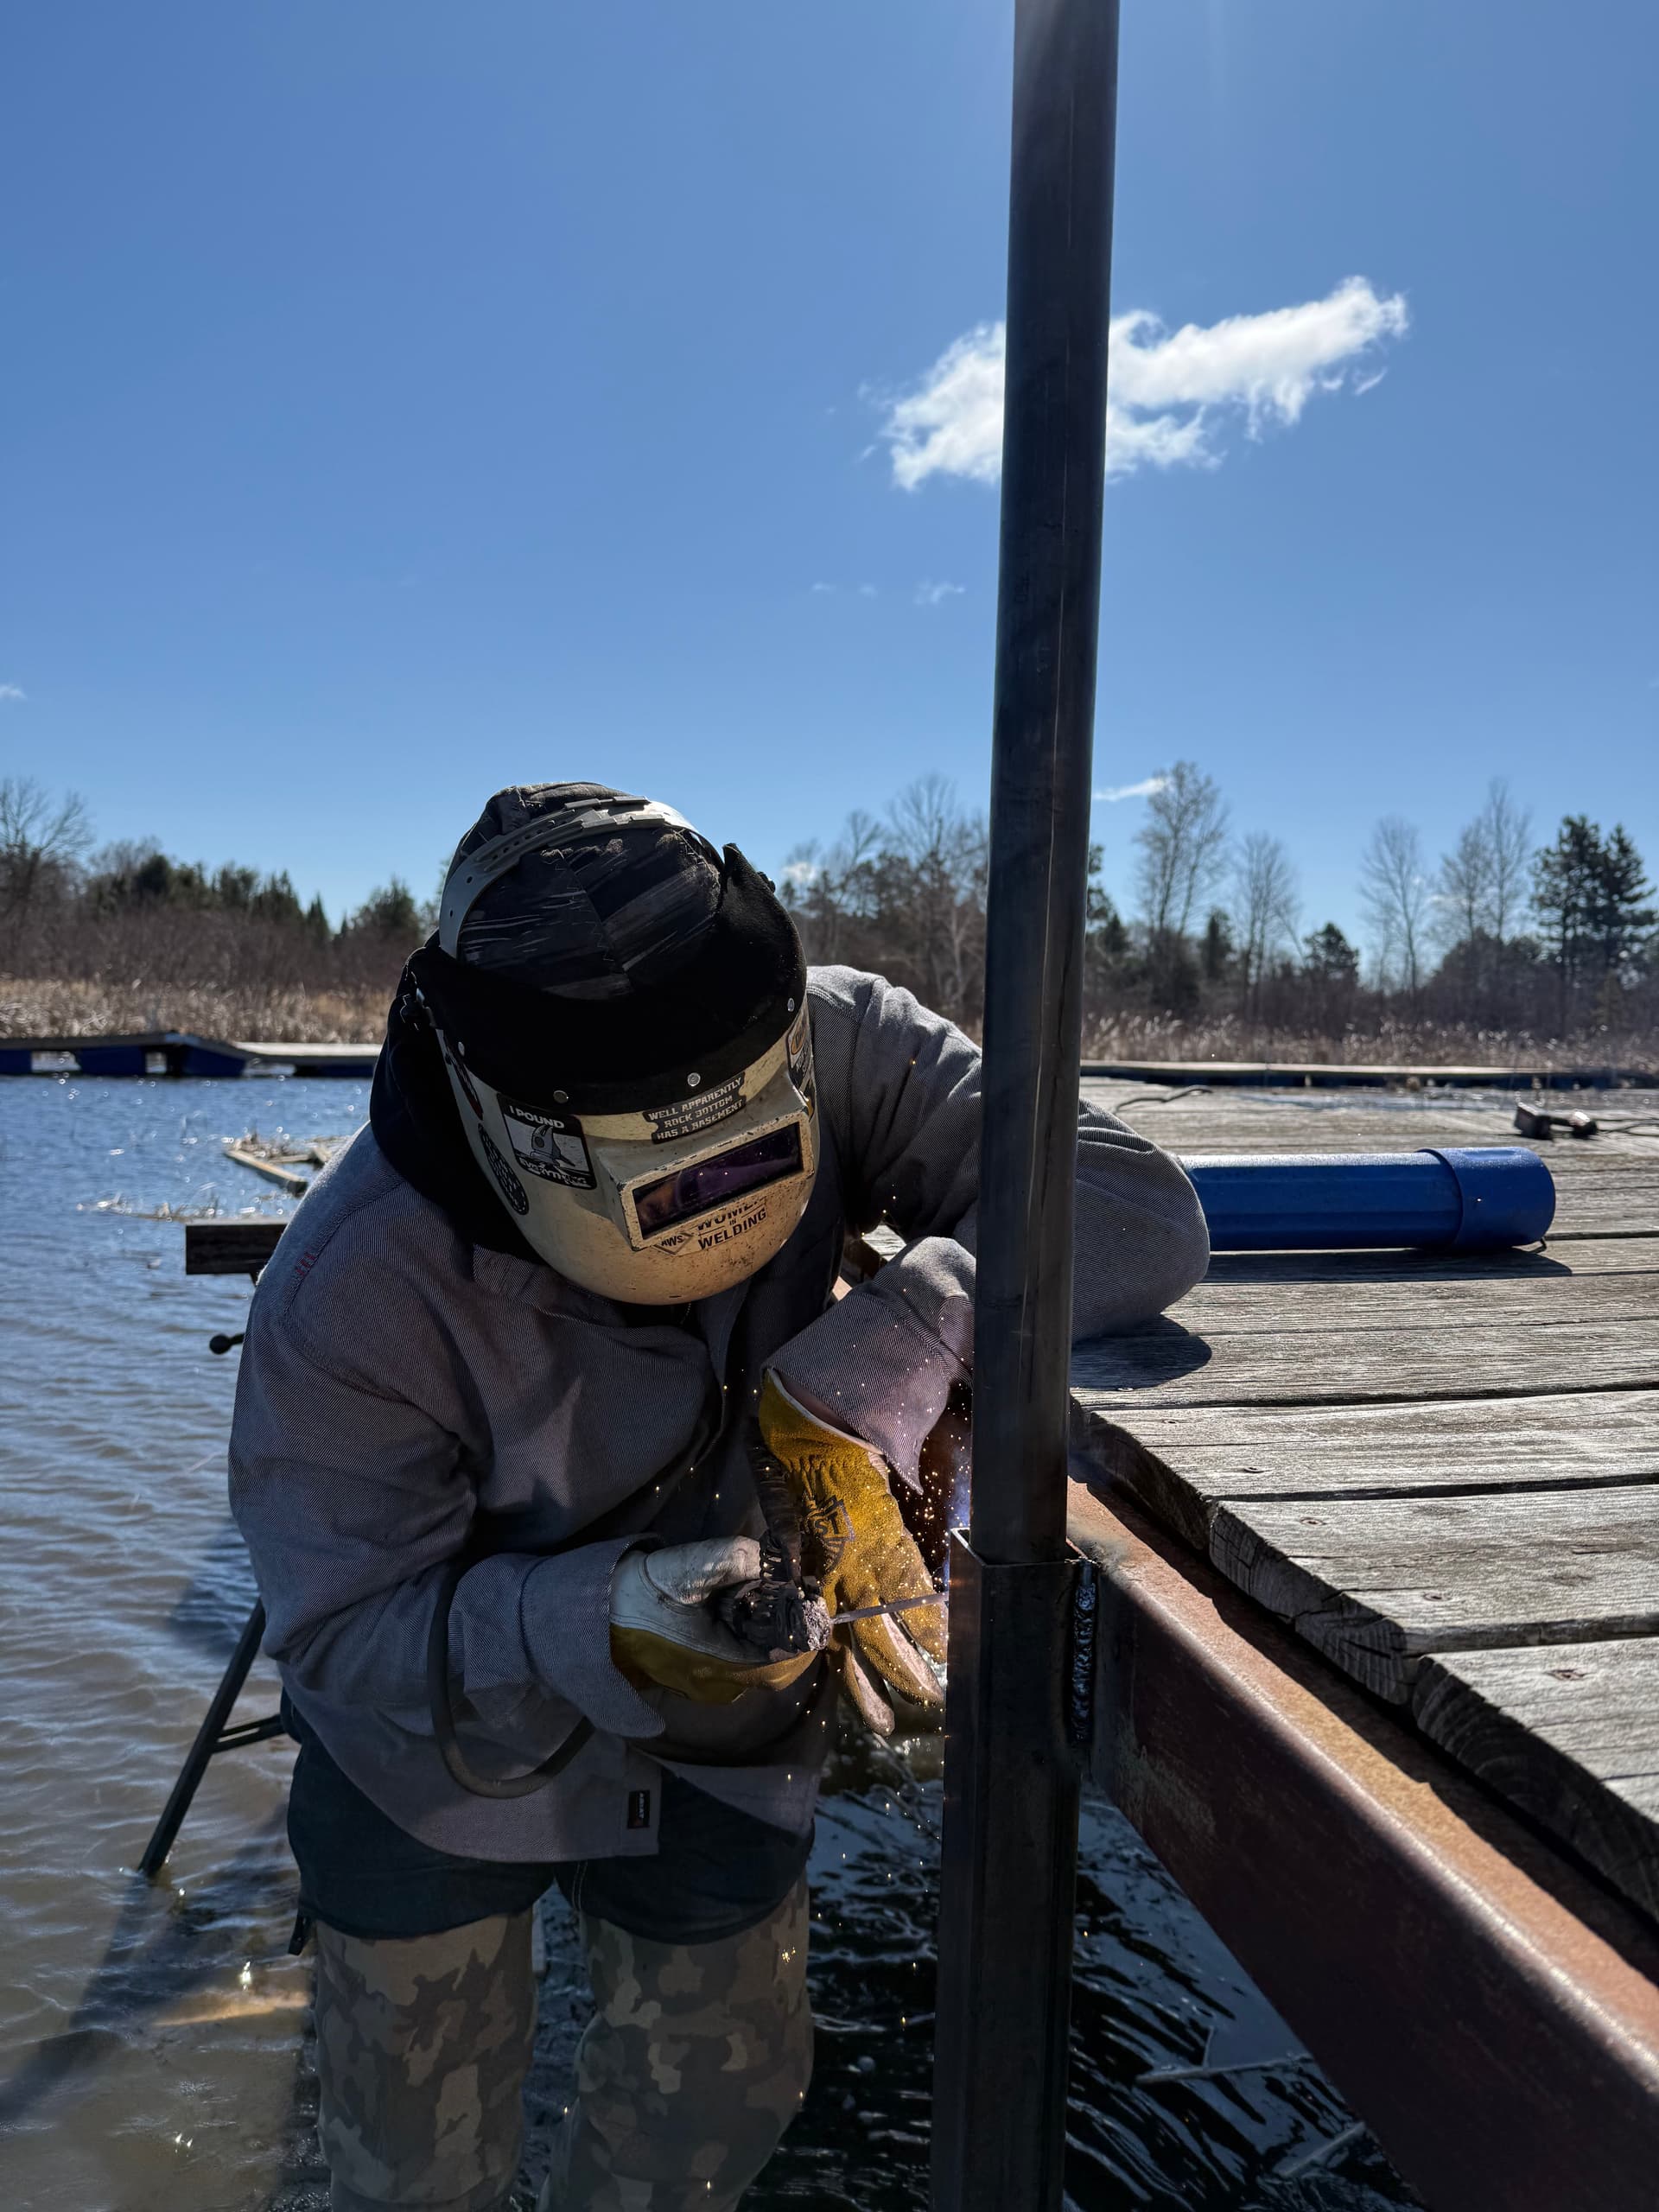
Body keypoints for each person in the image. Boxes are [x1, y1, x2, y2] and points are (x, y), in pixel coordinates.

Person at [229, 781, 1209, 2212]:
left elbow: (1137, 1205)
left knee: (712, 2111)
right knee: (408, 2166)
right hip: (425, 1775)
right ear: (519, 1122)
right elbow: (344, 1642)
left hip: (737, 1732)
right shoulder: (350, 1289)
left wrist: (911, 1327)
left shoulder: (839, 1033)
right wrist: (600, 1619)